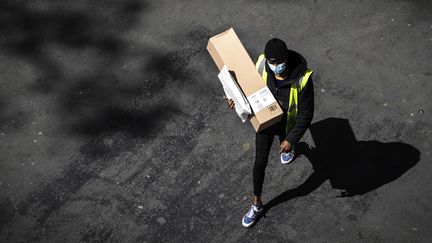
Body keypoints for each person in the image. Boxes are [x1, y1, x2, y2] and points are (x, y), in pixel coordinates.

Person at [224, 38, 314, 227]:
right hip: (265, 123)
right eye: (271, 63)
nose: (274, 67)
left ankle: (289, 147)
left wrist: (291, 139)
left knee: (285, 143)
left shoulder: (303, 79)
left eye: (278, 63)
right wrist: (234, 99)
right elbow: (245, 89)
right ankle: (256, 203)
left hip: (287, 124)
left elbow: (306, 114)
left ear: (286, 59)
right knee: (259, 163)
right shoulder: (261, 65)